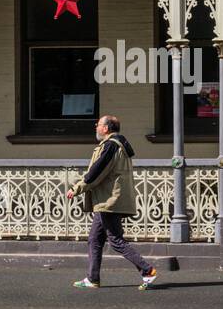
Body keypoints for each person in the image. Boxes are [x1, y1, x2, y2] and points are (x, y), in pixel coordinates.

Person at [67, 115, 157, 290]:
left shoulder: (110, 146)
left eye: (98, 125)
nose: (96, 127)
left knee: (116, 240)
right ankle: (92, 279)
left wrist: (77, 188)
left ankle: (147, 270)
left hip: (109, 201)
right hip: (107, 200)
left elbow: (97, 171)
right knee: (94, 239)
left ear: (106, 128)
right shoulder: (117, 145)